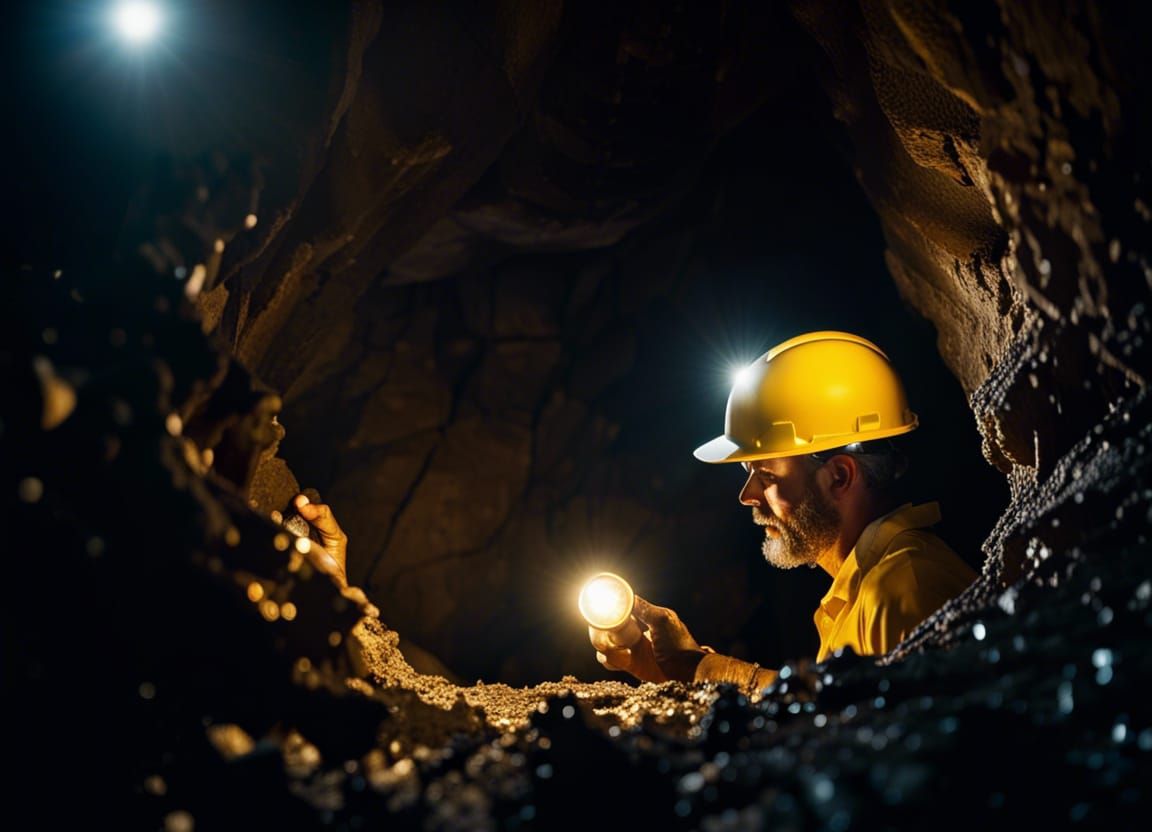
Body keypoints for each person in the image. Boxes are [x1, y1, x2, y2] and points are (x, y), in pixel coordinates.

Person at [588, 331, 977, 693]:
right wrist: (684, 671)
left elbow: (876, 733)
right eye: (748, 473)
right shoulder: (863, 589)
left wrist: (702, 668)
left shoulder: (906, 591)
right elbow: (839, 709)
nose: (747, 496)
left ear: (839, 476)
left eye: (767, 475)